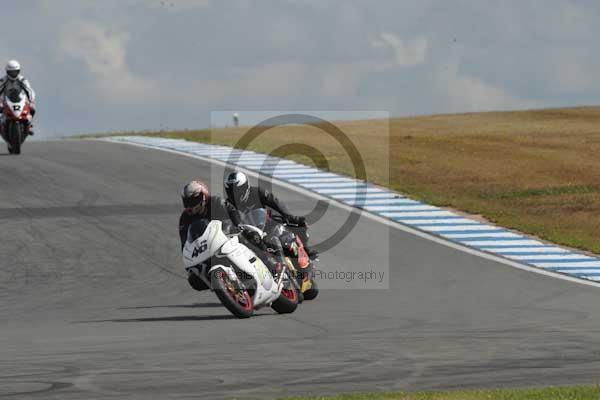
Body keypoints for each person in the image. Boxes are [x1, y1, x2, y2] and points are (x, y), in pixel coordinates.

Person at [178, 180, 283, 291]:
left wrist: (239, 226)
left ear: (203, 197)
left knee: (250, 236)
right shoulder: (185, 218)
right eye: (186, 201)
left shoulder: (216, 202)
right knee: (194, 279)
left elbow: (232, 212)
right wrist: (190, 262)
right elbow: (185, 243)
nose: (189, 205)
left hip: (228, 234)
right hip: (208, 248)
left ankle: (271, 263)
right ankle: (227, 287)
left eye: (192, 200)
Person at [223, 171, 317, 259]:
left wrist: (289, 217)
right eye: (231, 191)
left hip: (269, 223)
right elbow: (231, 220)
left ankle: (305, 249)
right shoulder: (229, 204)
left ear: (245, 187)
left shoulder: (257, 192)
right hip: (250, 234)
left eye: (237, 191)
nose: (234, 194)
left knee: (299, 224)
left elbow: (276, 203)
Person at [0, 60, 36, 136]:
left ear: (18, 71)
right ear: (7, 72)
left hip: (20, 100)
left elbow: (29, 90)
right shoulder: (3, 80)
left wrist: (31, 100)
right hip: (5, 100)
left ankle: (29, 126)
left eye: (15, 72)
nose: (13, 74)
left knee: (33, 109)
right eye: (11, 72)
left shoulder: (22, 80)